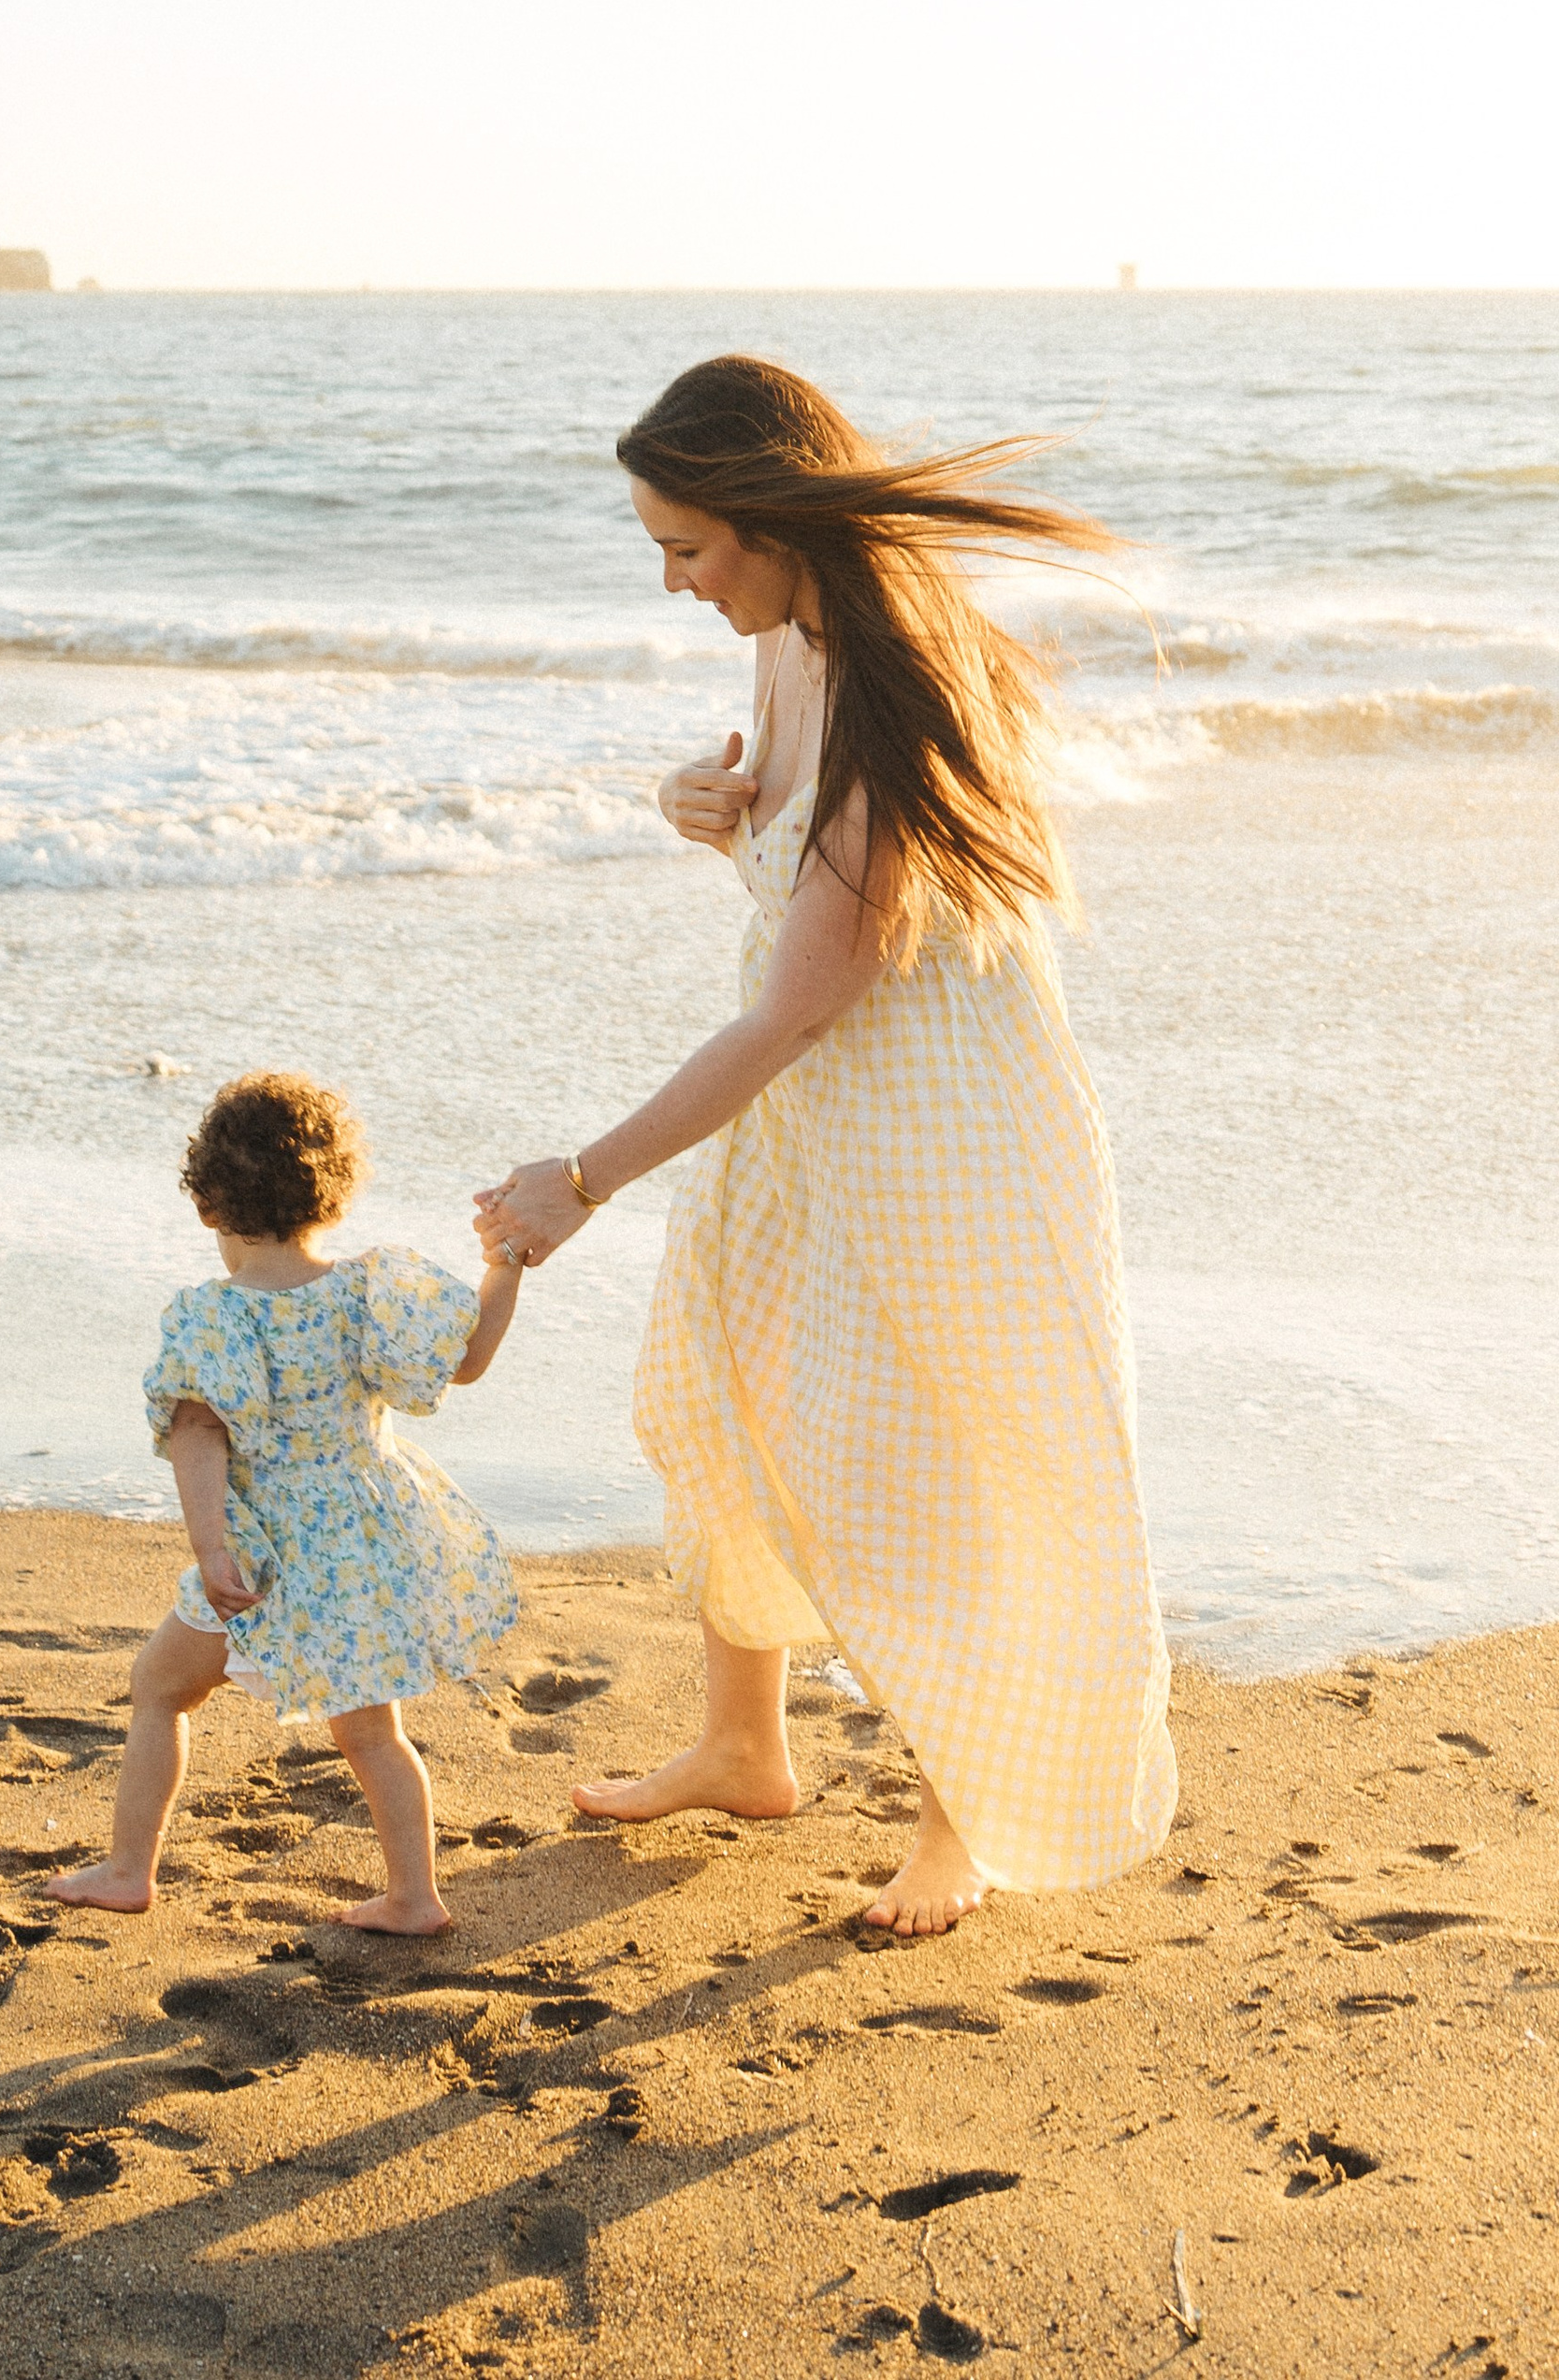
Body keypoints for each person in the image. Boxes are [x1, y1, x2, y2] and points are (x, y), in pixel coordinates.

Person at [476, 355, 1176, 1937]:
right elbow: (793, 906)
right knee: (729, 1387)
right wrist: (711, 812)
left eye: (689, 548)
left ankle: (962, 1818)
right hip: (808, 1111)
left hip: (942, 1130)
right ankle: (742, 1746)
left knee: (947, 1456)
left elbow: (800, 1008)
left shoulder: (893, 690)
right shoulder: (784, 636)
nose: (672, 581)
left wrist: (573, 1183)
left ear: (774, 521)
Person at [53, 1070, 524, 1936]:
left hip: (262, 1552)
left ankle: (127, 1869)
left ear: (207, 1204)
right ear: (333, 1198)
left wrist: (209, 1549)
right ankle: (414, 1897)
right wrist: (505, 1265)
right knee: (374, 1735)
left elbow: (200, 1436)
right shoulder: (367, 1291)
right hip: (357, 1546)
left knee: (158, 1688)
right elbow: (464, 1359)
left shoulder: (215, 1318)